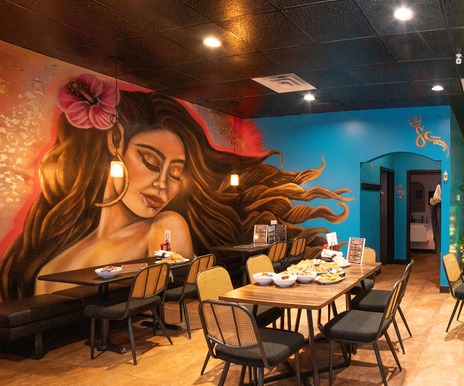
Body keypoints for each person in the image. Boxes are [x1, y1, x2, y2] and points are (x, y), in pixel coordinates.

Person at [0, 74, 350, 300]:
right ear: (116, 140)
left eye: (176, 172)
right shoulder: (52, 263)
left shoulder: (167, 225)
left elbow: (173, 267)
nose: (163, 183)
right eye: (150, 162)